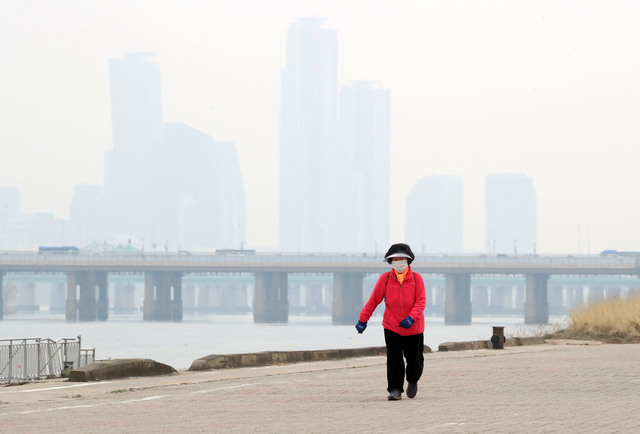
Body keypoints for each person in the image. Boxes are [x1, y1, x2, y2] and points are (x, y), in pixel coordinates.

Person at [355, 243, 426, 401]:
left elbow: (421, 302)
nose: (399, 261)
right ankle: (395, 389)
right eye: (395, 259)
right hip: (392, 326)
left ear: (408, 261)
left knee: (415, 360)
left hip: (413, 327)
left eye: (402, 258)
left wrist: (411, 317)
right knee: (394, 358)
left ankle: (413, 380)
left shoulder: (416, 278)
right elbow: (374, 300)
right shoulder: (385, 279)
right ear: (390, 261)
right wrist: (363, 319)